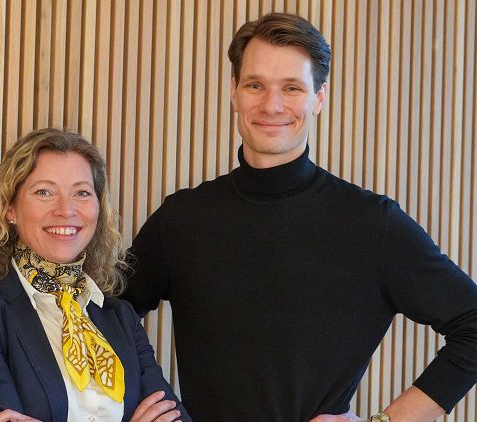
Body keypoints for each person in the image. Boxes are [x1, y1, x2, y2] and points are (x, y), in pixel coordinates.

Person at [118, 12, 477, 422]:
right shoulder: (181, 219)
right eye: (255, 85)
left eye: (292, 88)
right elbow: (106, 314)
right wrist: (148, 401)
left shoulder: (370, 224)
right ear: (234, 91)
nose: (272, 105)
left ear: (319, 97)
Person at [0, 129, 184, 422]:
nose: (66, 210)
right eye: (44, 192)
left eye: (81, 193)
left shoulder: (120, 317)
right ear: (9, 208)